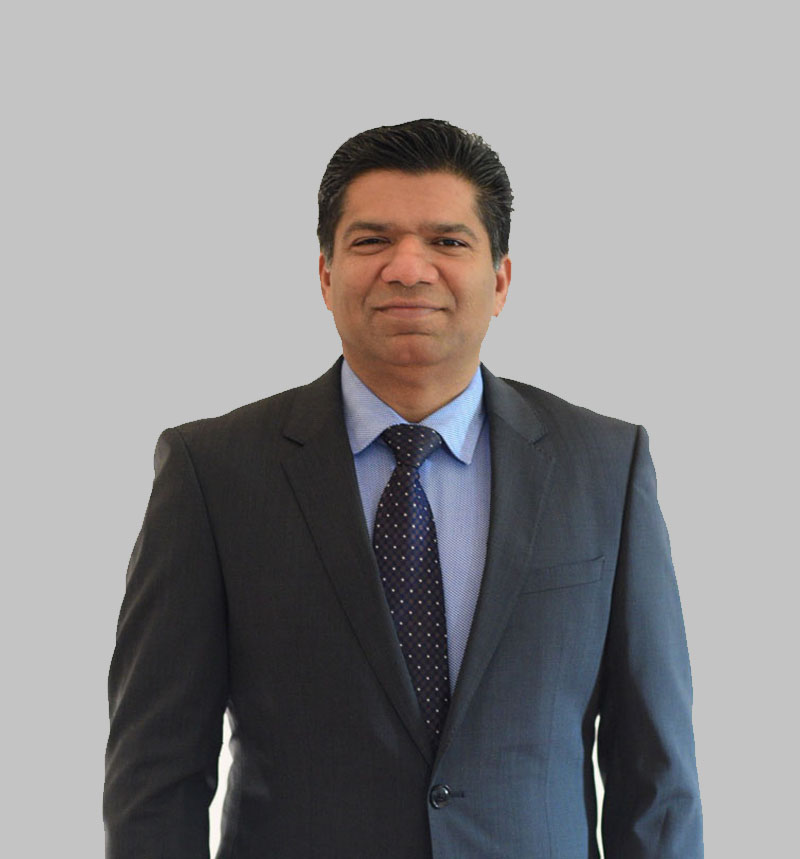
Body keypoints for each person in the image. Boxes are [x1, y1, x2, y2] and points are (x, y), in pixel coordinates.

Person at [104, 118, 703, 858]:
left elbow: (657, 777)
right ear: (326, 275)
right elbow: (155, 774)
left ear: (500, 280)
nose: (409, 268)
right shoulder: (213, 470)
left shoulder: (606, 465)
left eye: (448, 241)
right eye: (372, 240)